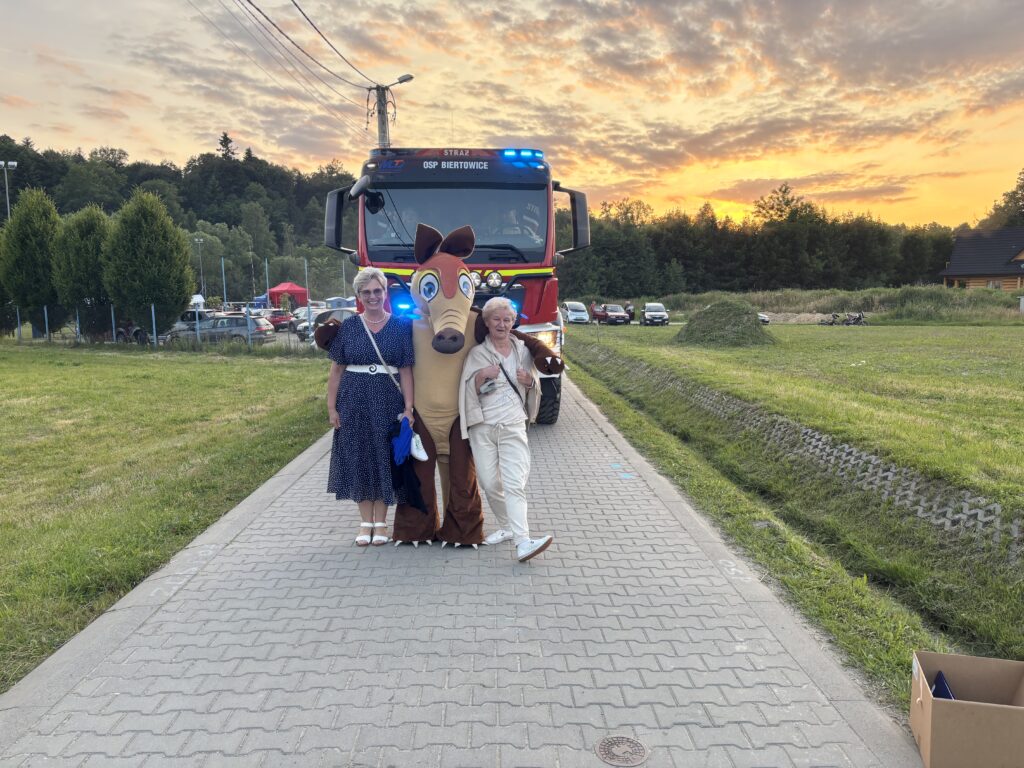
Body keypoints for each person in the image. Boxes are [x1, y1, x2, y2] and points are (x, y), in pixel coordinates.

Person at [458, 297, 552, 562]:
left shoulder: (523, 351)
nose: (502, 324)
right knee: (489, 483)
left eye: (507, 320)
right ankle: (507, 526)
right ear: (487, 323)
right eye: (496, 319)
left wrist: (530, 381)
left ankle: (523, 541)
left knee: (514, 483)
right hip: (483, 427)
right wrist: (480, 377)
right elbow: (466, 391)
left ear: (513, 322)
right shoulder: (477, 354)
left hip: (513, 425)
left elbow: (535, 386)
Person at [326, 267, 415, 546]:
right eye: (366, 292)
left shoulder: (401, 326)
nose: (373, 296)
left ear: (385, 292)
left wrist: (409, 408)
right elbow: (336, 370)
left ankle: (382, 522)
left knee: (385, 458)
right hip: (353, 401)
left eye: (377, 291)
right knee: (360, 457)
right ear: (359, 295)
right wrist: (332, 408)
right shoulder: (349, 327)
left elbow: (406, 370)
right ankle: (365, 522)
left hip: (388, 401)